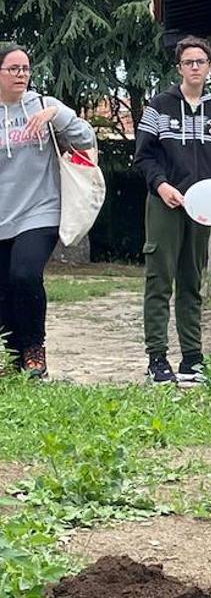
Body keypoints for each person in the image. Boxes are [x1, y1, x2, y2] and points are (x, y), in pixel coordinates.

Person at [134, 36, 211, 384]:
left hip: (201, 210)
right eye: (188, 62)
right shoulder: (159, 106)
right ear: (179, 68)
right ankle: (157, 360)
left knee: (192, 282)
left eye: (201, 62)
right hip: (165, 203)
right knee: (159, 280)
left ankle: (192, 359)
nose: (195, 68)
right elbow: (144, 156)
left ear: (209, 68)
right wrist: (162, 186)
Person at [0, 44, 97, 379]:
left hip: (40, 210)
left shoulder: (44, 105)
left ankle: (34, 349)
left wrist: (58, 115)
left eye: (25, 68)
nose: (21, 75)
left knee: (24, 275)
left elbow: (86, 138)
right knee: (4, 287)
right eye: (13, 69)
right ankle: (10, 355)